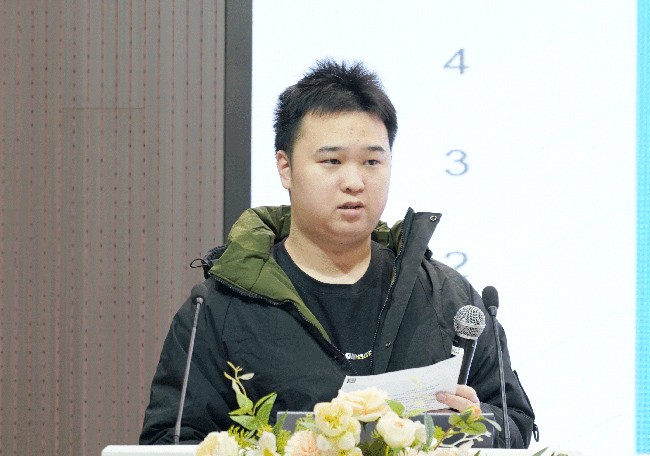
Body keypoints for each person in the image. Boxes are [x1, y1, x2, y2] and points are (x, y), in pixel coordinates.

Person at [140, 59, 536, 448]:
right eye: (332, 161)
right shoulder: (219, 308)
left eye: (372, 161)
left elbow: (514, 421)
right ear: (285, 168)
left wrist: (479, 425)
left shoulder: (446, 296)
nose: (354, 181)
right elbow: (168, 442)